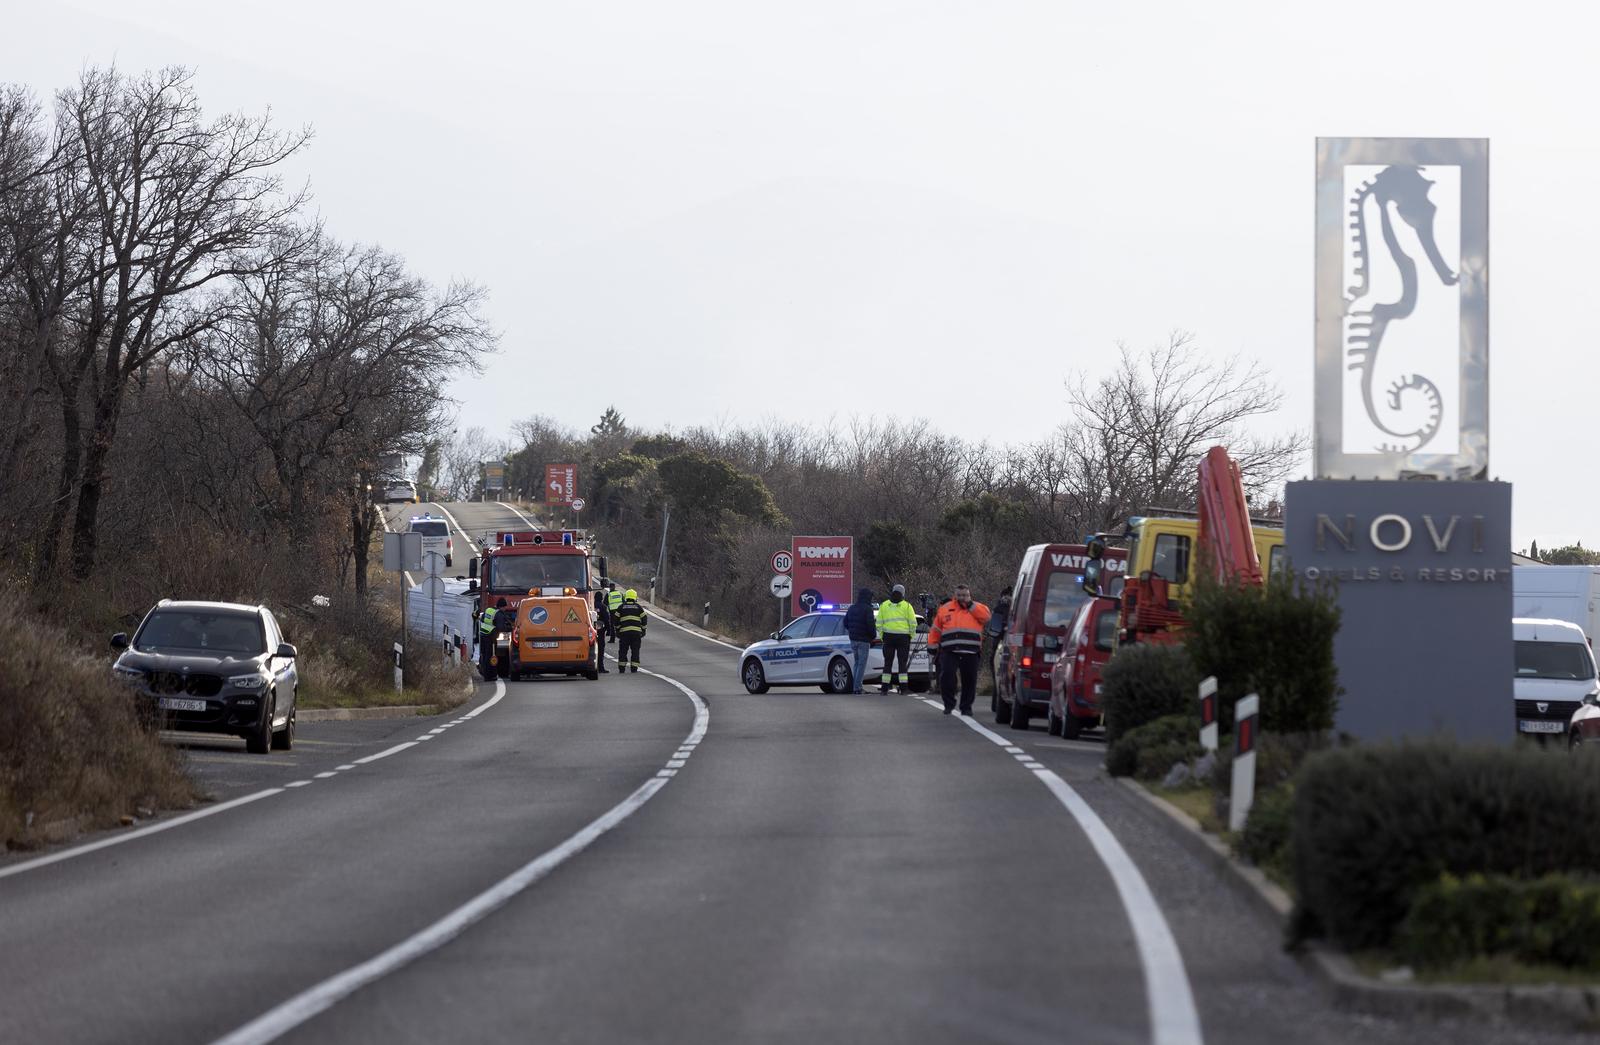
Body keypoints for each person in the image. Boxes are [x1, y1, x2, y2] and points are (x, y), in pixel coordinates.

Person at [927, 584, 992, 716]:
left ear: (970, 595)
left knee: (969, 680)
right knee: (947, 677)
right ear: (955, 596)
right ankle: (949, 704)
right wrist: (932, 645)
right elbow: (936, 629)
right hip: (949, 650)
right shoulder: (945, 609)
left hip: (971, 651)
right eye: (960, 595)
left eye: (965, 595)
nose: (962, 598)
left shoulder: (979, 608)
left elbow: (986, 618)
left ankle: (966, 707)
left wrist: (970, 606)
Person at [874, 583, 918, 694]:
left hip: (888, 637)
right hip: (903, 638)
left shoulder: (884, 605)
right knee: (902, 663)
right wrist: (910, 636)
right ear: (903, 594)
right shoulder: (907, 606)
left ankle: (884, 688)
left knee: (887, 663)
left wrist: (883, 636)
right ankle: (903, 688)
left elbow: (878, 623)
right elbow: (913, 624)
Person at [841, 588, 876, 695]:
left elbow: (845, 622)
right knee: (861, 664)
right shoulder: (868, 609)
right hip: (864, 640)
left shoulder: (852, 608)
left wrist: (852, 631)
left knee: (856, 663)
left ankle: (855, 687)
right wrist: (872, 636)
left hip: (853, 639)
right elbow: (871, 625)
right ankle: (858, 687)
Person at [984, 585, 1013, 691]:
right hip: (1009, 641)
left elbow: (994, 627)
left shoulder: (999, 607)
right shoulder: (1018, 606)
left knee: (994, 661)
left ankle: (997, 685)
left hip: (1000, 640)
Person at [613, 588, 648, 673]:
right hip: (636, 634)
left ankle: (622, 668)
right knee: (635, 650)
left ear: (626, 597)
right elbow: (644, 618)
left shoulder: (621, 607)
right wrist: (643, 630)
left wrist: (617, 630)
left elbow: (616, 619)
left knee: (623, 650)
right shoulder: (639, 607)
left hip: (624, 633)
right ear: (635, 597)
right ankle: (634, 668)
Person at [478, 597, 510, 679]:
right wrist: (509, 628)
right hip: (491, 637)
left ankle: (485, 673)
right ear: (502, 606)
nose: (505, 609)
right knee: (493, 655)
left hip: (483, 634)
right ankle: (491, 675)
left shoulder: (489, 610)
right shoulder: (499, 614)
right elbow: (500, 628)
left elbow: (482, 620)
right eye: (505, 607)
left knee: (485, 655)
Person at [592, 587, 611, 673]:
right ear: (601, 598)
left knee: (591, 649)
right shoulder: (603, 606)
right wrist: (609, 630)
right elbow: (607, 619)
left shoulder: (590, 606)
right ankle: (601, 667)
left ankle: (592, 666)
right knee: (600, 649)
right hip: (601, 630)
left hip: (591, 630)